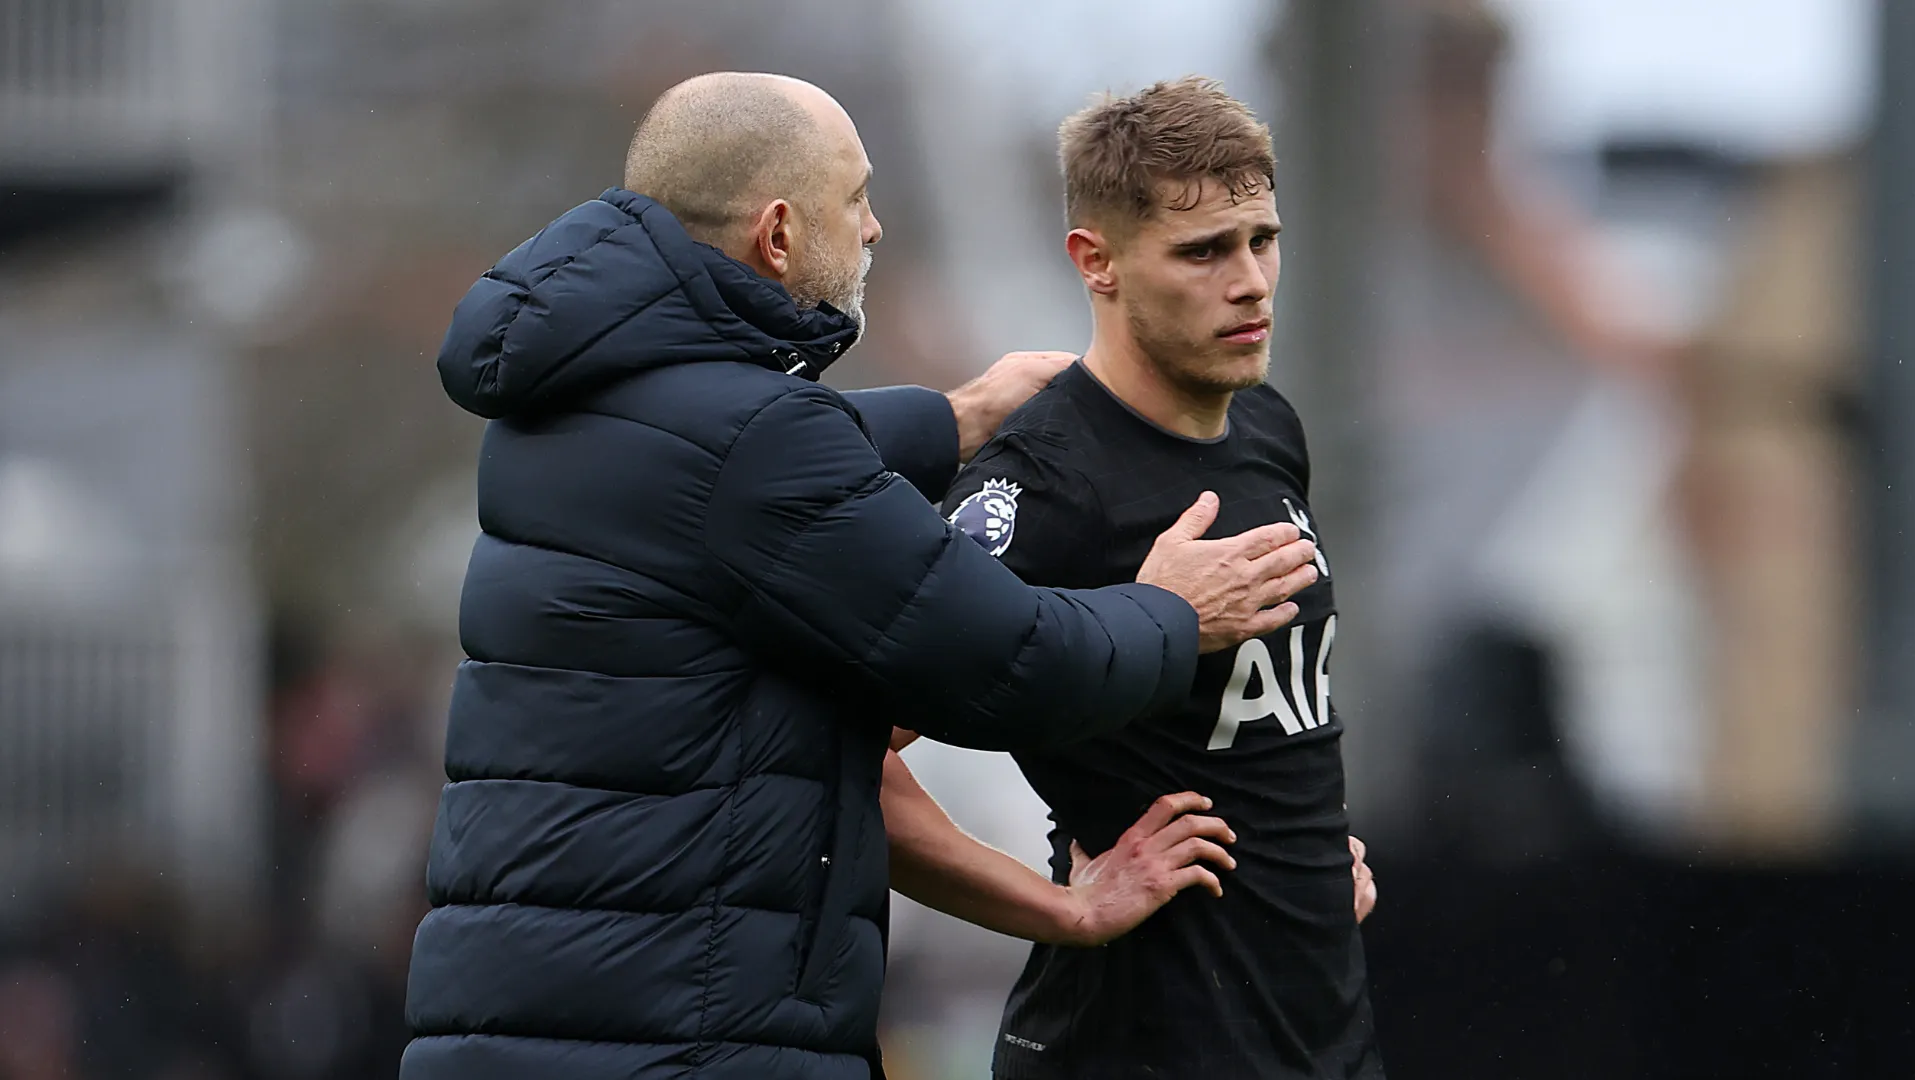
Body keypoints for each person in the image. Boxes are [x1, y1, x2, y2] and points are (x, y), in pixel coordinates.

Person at [401, 72, 1323, 1079]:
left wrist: (954, 415)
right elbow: (1009, 660)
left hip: (526, 1019)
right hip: (680, 1032)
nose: (876, 227)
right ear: (780, 234)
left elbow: (733, 465)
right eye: (856, 199)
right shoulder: (757, 444)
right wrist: (1174, 613)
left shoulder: (572, 398)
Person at [886, 78, 1384, 1078]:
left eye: (1262, 239)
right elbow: (845, 749)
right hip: (1136, 1047)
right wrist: (1064, 906)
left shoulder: (1267, 428)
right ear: (1097, 261)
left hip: (1318, 1037)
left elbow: (1250, 725)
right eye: (1202, 251)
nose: (1249, 281)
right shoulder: (1045, 482)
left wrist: (1302, 846)